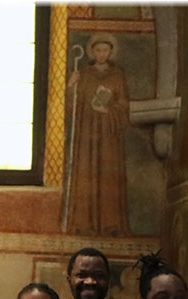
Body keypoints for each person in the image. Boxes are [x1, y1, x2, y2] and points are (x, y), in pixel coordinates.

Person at [65, 33, 130, 236]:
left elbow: (124, 105)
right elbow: (71, 107)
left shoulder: (117, 75)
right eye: (98, 50)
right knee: (86, 172)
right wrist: (71, 85)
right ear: (92, 52)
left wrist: (108, 111)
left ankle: (110, 224)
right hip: (86, 133)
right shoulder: (84, 74)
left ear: (111, 52)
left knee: (108, 176)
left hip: (109, 134)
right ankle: (85, 223)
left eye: (105, 50)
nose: (102, 54)